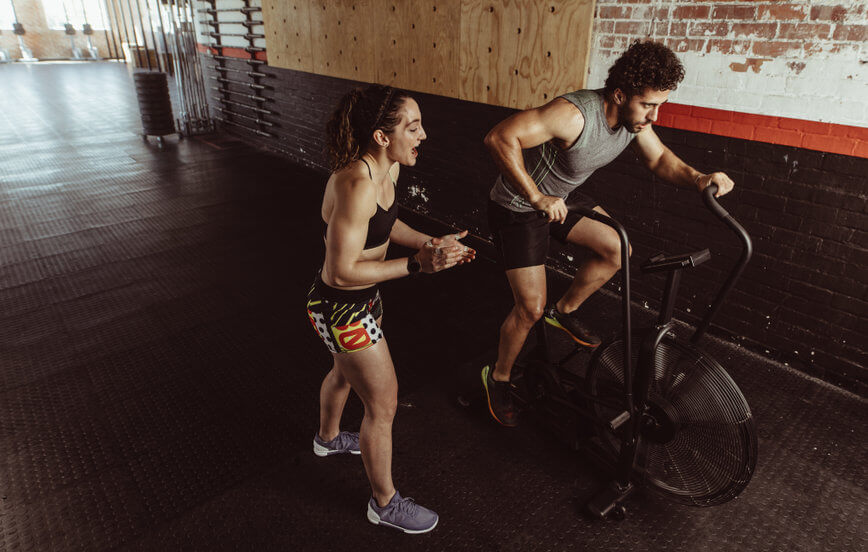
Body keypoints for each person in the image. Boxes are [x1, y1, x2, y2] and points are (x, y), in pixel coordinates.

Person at [481, 40, 735, 427]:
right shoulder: (574, 115)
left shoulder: (634, 122)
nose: (654, 115)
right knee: (528, 308)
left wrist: (700, 179)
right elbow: (500, 137)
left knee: (618, 248)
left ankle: (562, 312)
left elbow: (661, 158)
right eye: (648, 104)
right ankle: (497, 377)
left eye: (659, 105)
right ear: (620, 94)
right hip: (518, 207)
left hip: (562, 199)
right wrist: (534, 195)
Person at [306, 84, 475, 533]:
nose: (423, 135)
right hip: (342, 306)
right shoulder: (356, 183)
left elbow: (387, 222)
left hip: (361, 299)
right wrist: (418, 266)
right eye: (413, 127)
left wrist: (428, 243)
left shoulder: (389, 172)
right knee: (383, 405)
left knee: (345, 373)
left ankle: (326, 440)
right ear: (382, 137)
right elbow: (339, 272)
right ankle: (384, 504)